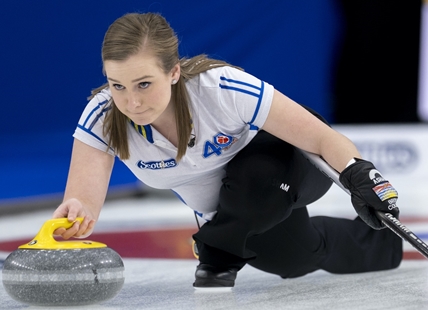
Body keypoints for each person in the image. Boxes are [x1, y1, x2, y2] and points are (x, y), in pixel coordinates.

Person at [52, 12, 402, 289]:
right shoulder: (103, 115)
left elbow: (323, 139)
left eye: (144, 84)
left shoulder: (220, 88)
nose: (132, 101)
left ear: (173, 72)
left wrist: (359, 173)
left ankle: (217, 251)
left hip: (294, 163)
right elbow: (82, 199)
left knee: (256, 178)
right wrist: (76, 215)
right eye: (118, 85)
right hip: (236, 211)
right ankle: (385, 245)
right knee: (292, 258)